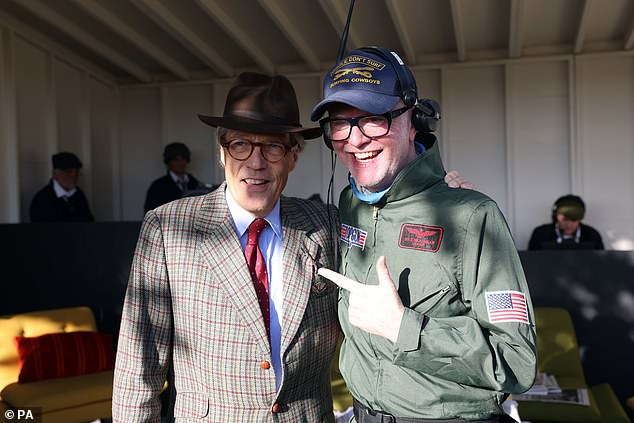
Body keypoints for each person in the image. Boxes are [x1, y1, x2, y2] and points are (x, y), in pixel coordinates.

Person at [311, 47, 537, 422]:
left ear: (414, 119)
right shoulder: (351, 200)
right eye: (340, 123)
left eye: (373, 119)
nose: (355, 139)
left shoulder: (473, 217)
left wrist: (404, 328)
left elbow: (515, 361)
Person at [113, 72, 341, 422]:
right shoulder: (167, 228)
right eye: (240, 145)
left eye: (273, 146)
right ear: (222, 153)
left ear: (293, 157)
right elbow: (138, 366)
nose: (255, 161)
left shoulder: (326, 224)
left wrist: (437, 186)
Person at [29, 152, 94, 222]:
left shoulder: (78, 194)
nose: (74, 176)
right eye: (69, 171)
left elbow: (89, 222)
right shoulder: (43, 199)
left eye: (77, 172)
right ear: (55, 174)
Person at [528, 194, 604, 250]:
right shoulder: (541, 234)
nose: (569, 224)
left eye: (574, 219)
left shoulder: (592, 235)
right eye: (564, 219)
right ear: (555, 216)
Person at [143, 142, 202, 213]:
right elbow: (149, 214)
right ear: (168, 162)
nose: (179, 162)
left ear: (187, 160)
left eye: (183, 159)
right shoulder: (157, 186)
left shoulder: (196, 184)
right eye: (175, 159)